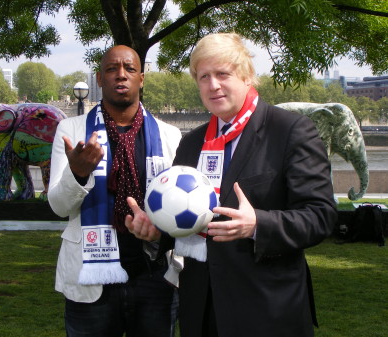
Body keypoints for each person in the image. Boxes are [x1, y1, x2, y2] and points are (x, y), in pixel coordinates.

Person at [127, 33, 338, 337]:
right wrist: (155, 229)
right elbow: (183, 219)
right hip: (200, 310)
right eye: (204, 77)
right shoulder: (191, 143)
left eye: (222, 74)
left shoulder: (291, 131)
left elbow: (321, 216)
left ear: (247, 75)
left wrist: (257, 225)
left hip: (267, 310)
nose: (213, 85)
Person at [48, 45, 182, 337]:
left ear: (141, 78)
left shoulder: (170, 135)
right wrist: (78, 173)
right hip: (90, 280)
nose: (121, 75)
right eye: (111, 69)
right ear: (99, 78)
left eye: (129, 69)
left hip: (154, 277)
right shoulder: (71, 131)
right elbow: (58, 207)